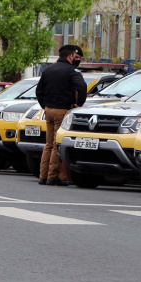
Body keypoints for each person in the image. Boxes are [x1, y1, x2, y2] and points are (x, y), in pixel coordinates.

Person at [35, 45, 87, 186]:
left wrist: (44, 105)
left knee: (48, 144)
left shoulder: (49, 69)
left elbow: (39, 91)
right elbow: (82, 87)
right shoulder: (72, 71)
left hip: (49, 110)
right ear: (70, 56)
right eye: (75, 57)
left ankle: (43, 175)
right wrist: (79, 103)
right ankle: (52, 176)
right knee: (56, 145)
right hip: (62, 111)